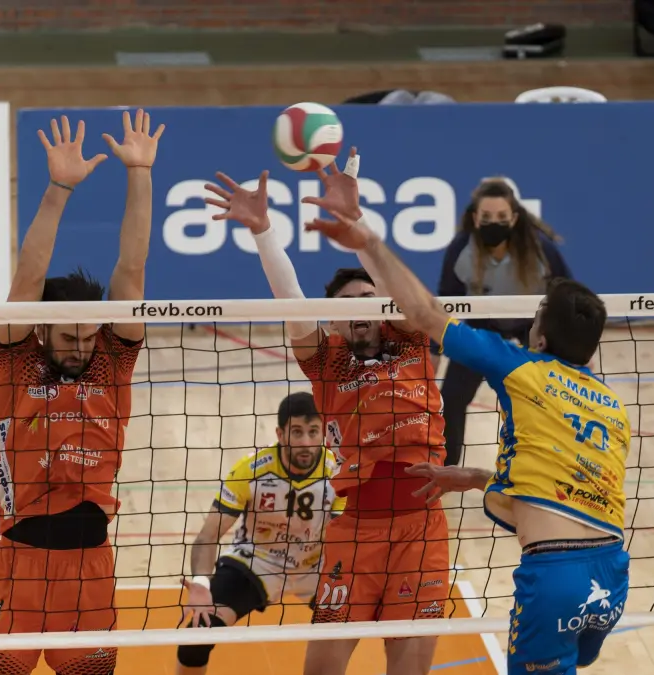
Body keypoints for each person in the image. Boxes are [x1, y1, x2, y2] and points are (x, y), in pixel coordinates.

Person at [304, 210, 632, 675]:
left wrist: (366, 239)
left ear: (539, 338)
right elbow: (559, 484)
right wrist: (478, 477)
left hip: (554, 573)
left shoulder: (519, 366)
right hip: (613, 573)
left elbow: (423, 313)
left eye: (536, 314)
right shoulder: (612, 406)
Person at [202, 149, 451, 675]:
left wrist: (355, 222)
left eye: (369, 299)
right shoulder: (326, 361)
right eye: (347, 303)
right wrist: (263, 231)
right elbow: (290, 297)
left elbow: (400, 292)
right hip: (354, 533)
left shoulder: (411, 339)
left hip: (421, 530)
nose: (360, 307)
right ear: (333, 321)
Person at [0, 109, 165, 675]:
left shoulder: (112, 359)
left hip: (90, 571)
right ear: (42, 330)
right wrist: (59, 188)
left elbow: (133, 266)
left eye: (87, 335)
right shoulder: (17, 361)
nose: (80, 346)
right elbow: (28, 278)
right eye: (68, 336)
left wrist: (140, 173)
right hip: (20, 565)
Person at [175, 392, 346, 675]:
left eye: (313, 432)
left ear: (323, 433)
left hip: (317, 565)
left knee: (372, 624)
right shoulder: (251, 470)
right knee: (197, 635)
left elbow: (345, 538)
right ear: (280, 434)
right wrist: (202, 583)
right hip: (258, 561)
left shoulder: (338, 472)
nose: (306, 442)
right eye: (296, 432)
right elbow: (208, 535)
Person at [437, 178, 571, 467]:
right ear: (475, 218)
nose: (493, 223)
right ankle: (446, 468)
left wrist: (569, 345)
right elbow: (446, 303)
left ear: (514, 218)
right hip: (482, 326)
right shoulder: (461, 249)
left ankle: (554, 463)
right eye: (486, 217)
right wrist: (436, 351)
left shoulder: (540, 249)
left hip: (531, 328)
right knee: (451, 398)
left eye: (501, 216)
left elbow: (568, 293)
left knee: (552, 398)